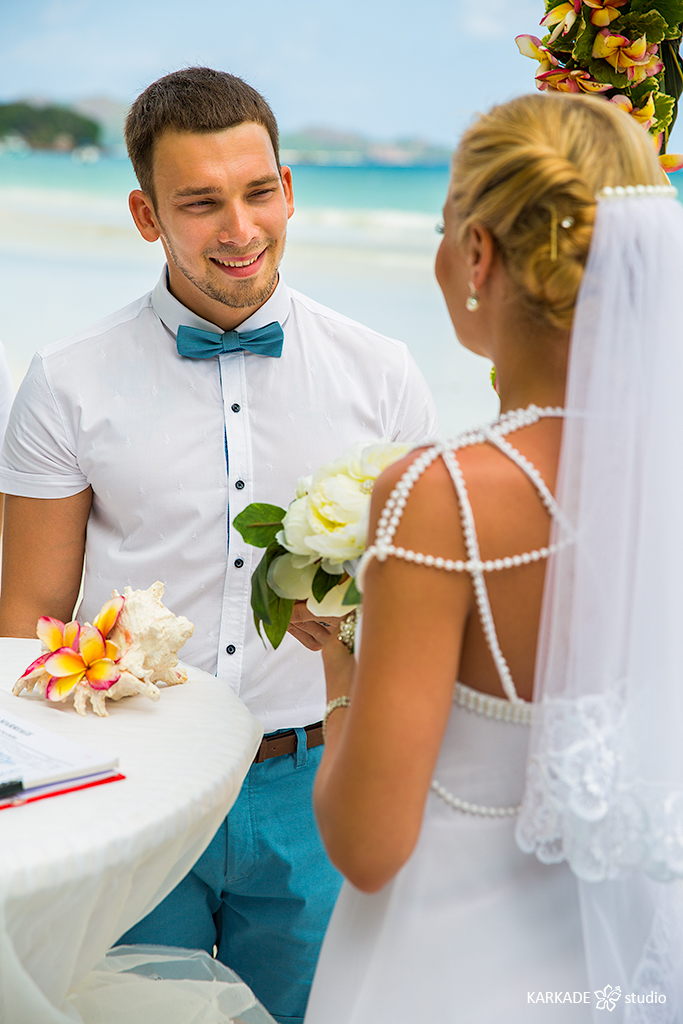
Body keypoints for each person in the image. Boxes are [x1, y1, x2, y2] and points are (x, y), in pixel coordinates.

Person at [0, 67, 437, 1024]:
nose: (239, 229)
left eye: (257, 192)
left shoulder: (385, 373)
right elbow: (22, 627)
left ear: (289, 189)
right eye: (199, 203)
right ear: (145, 214)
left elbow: (416, 608)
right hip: (130, 786)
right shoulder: (65, 382)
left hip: (315, 787)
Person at [303, 91, 683, 1023]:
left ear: (477, 254)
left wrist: (341, 662)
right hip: (622, 970)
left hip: (445, 967)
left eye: (444, 227)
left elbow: (366, 843)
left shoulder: (446, 497)